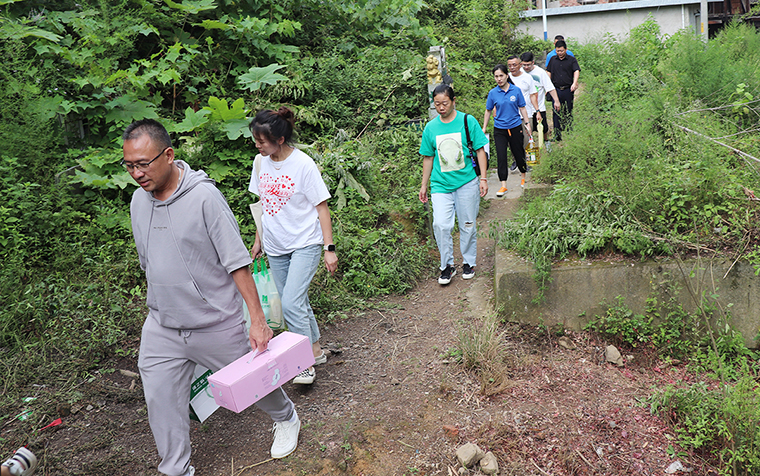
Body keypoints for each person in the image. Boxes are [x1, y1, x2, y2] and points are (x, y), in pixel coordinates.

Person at [124, 119, 300, 476]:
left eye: (143, 163)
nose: (137, 173)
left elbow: (237, 262)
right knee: (160, 397)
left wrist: (257, 319)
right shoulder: (138, 203)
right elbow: (148, 260)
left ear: (169, 155)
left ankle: (286, 418)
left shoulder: (204, 197)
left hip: (215, 322)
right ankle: (175, 468)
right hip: (163, 325)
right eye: (129, 165)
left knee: (256, 383)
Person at [248, 108, 337, 386]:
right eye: (256, 140)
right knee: (297, 302)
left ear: (281, 139)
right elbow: (262, 204)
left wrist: (329, 247)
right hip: (275, 246)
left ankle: (303, 364)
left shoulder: (303, 165)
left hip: (305, 243)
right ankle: (316, 351)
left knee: (290, 303)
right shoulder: (260, 162)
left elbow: (322, 208)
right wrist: (258, 239)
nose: (257, 145)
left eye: (262, 141)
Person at [419, 84, 488, 285]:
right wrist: (424, 185)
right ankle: (446, 266)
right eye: (437, 104)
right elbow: (428, 157)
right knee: (440, 225)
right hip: (440, 185)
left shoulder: (467, 121)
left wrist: (483, 178)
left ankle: (468, 262)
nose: (441, 107)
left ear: (453, 100)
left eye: (445, 103)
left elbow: (480, 150)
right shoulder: (431, 127)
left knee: (467, 224)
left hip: (467, 181)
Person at [483, 64, 533, 196]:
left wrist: (527, 124)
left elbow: (522, 108)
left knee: (518, 153)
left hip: (516, 126)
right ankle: (503, 185)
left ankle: (523, 177)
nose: (499, 79)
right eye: (496, 76)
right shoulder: (493, 93)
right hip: (500, 129)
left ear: (506, 76)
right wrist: (483, 128)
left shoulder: (515, 90)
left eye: (501, 76)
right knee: (501, 156)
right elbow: (488, 111)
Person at [506, 56, 540, 180]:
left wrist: (537, 111)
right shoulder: (506, 78)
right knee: (513, 140)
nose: (512, 67)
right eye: (510, 65)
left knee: (527, 138)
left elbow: (533, 95)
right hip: (510, 115)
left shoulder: (527, 78)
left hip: (526, 113)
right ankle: (517, 160)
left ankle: (528, 161)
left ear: (520, 65)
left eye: (514, 65)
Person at [521, 51, 560, 145]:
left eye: (528, 65)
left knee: (543, 127)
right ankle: (529, 146)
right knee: (525, 129)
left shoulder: (540, 73)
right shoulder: (519, 73)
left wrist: (556, 101)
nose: (526, 67)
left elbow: (550, 87)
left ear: (533, 62)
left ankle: (546, 142)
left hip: (539, 106)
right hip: (524, 108)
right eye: (524, 65)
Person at [546, 40, 580, 141]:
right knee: (556, 111)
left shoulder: (571, 59)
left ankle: (569, 130)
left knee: (568, 110)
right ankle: (557, 134)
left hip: (567, 89)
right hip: (556, 89)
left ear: (566, 49)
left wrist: (575, 82)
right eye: (558, 51)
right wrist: (548, 85)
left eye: (561, 51)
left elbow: (576, 70)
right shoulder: (552, 59)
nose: (560, 53)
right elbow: (549, 71)